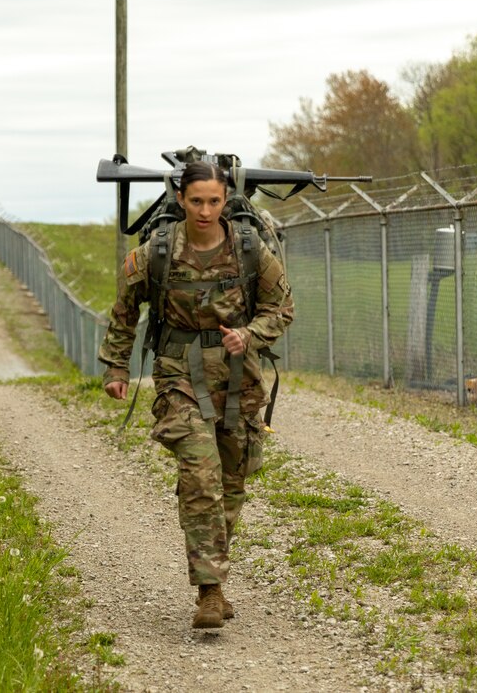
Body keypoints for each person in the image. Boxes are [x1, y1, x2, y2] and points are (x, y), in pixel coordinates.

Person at [98, 159, 294, 629]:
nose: (205, 210)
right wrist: (116, 366)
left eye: (214, 201)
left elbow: (281, 308)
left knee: (231, 482)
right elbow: (125, 310)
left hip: (238, 380)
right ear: (181, 200)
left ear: (225, 201)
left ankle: (214, 577)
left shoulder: (249, 251)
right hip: (178, 375)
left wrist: (248, 334)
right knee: (200, 474)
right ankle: (209, 591)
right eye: (196, 201)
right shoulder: (157, 252)